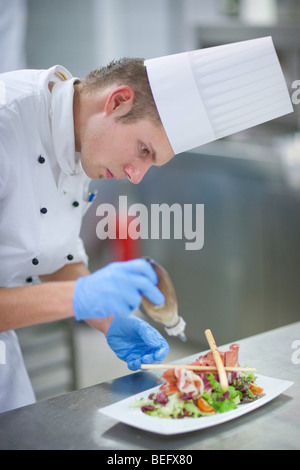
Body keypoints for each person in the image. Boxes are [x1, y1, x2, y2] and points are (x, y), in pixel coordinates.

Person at [0, 37, 293, 413]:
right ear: (117, 101)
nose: (136, 177)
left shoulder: (78, 142)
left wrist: (109, 320)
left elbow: (53, 260)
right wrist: (80, 295)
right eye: (143, 150)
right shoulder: (7, 122)